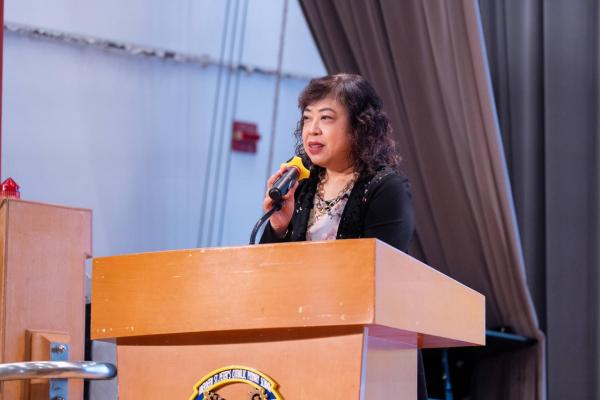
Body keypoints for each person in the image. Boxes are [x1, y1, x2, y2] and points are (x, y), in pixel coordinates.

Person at [260, 73, 427, 399]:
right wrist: (279, 225)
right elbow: (269, 278)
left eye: (326, 118)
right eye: (307, 118)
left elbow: (381, 277)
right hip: (305, 347)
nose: (312, 129)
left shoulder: (385, 189)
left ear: (359, 127)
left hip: (370, 352)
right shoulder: (300, 185)